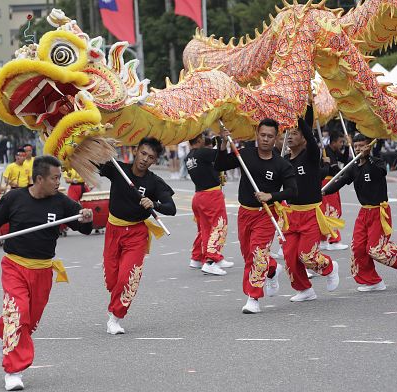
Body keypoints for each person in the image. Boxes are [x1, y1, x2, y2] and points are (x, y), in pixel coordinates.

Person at [0, 156, 94, 391]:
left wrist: (87, 218)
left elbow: (85, 228)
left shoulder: (61, 202)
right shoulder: (14, 198)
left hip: (43, 270)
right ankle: (13, 371)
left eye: (59, 177)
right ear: (39, 179)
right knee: (19, 314)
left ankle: (3, 327)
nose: (59, 182)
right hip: (15, 266)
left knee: (28, 321)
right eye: (54, 178)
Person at [217, 120, 297, 313]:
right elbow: (219, 165)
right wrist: (223, 144)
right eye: (263, 135)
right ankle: (272, 268)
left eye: (270, 136)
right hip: (245, 212)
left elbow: (292, 190)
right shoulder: (245, 154)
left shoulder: (281, 164)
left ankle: (253, 297)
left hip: (266, 215)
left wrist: (271, 196)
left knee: (257, 254)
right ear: (257, 135)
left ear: (276, 138)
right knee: (248, 255)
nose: (266, 139)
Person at [99, 137, 176, 334]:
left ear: (155, 161)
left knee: (128, 277)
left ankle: (115, 317)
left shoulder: (155, 182)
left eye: (150, 157)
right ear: (136, 151)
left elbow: (171, 208)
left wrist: (155, 204)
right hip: (113, 230)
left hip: (136, 234)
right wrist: (101, 145)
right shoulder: (118, 169)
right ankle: (116, 301)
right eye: (143, 153)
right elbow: (92, 162)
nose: (144, 159)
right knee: (112, 280)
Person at [323, 134, 397, 291]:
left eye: (361, 146)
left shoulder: (376, 162)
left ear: (368, 146)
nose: (358, 149)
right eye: (356, 146)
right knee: (358, 248)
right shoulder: (353, 167)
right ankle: (373, 281)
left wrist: (368, 156)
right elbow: (340, 182)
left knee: (375, 249)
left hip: (379, 211)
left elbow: (381, 172)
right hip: (364, 212)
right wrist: (322, 193)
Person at [280, 106, 341, 302]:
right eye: (288, 133)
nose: (290, 136)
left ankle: (330, 267)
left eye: (295, 133)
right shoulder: (283, 161)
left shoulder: (311, 155)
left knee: (306, 255)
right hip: (291, 215)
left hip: (310, 214)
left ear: (304, 138)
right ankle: (304, 289)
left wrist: (302, 112)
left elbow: (310, 136)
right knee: (290, 257)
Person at [185, 132, 233, 276]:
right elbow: (221, 156)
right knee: (219, 225)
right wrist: (222, 141)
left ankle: (199, 257)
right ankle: (211, 261)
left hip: (199, 195)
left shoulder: (189, 157)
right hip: (210, 195)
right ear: (199, 139)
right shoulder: (203, 153)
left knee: (206, 229)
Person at [320, 130, 350, 250]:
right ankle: (333, 240)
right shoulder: (326, 151)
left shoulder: (334, 150)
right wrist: (346, 176)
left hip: (331, 181)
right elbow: (334, 169)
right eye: (340, 142)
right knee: (332, 210)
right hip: (327, 182)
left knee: (326, 211)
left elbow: (344, 159)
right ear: (333, 142)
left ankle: (323, 240)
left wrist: (348, 146)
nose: (341, 144)